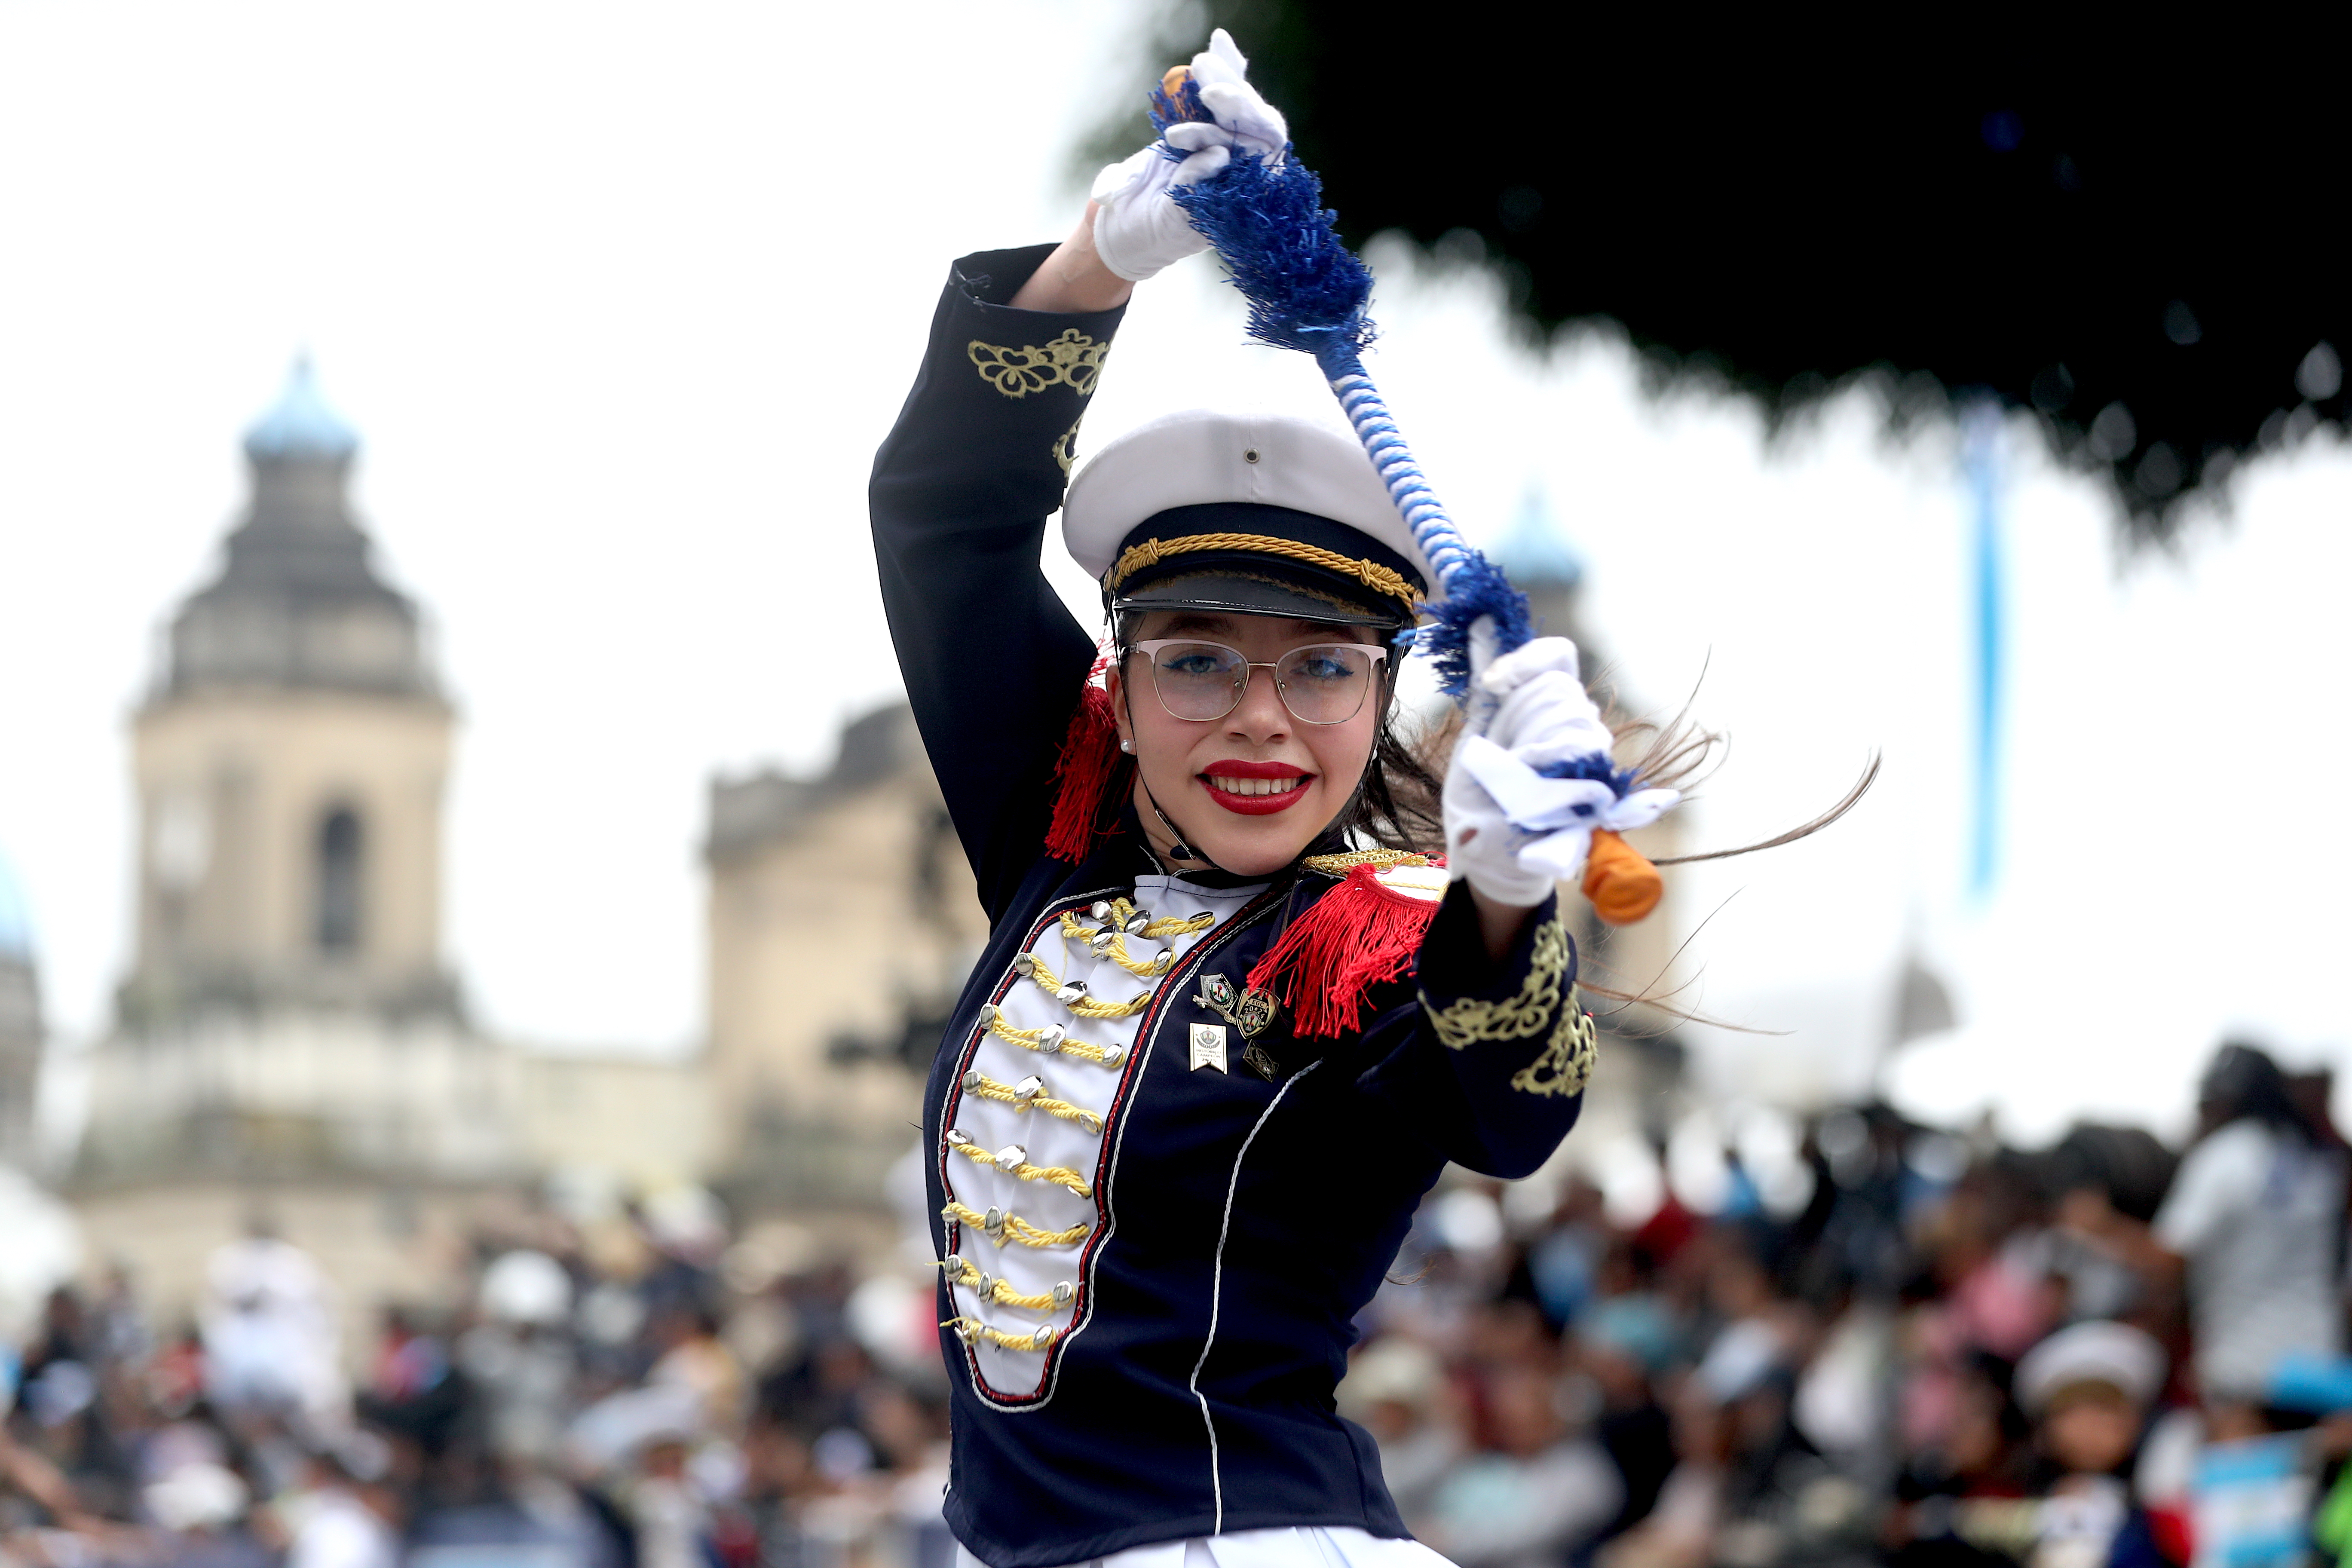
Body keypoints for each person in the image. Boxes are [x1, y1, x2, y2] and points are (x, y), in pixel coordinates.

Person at [869, 28, 1850, 1568]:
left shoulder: (1373, 933)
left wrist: (1508, 897)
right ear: (1113, 691)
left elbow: (1514, 1110)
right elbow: (945, 514)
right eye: (1196, 663)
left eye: (1323, 669)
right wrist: (1100, 258)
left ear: (1383, 693)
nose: (1261, 719)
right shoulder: (1058, 844)